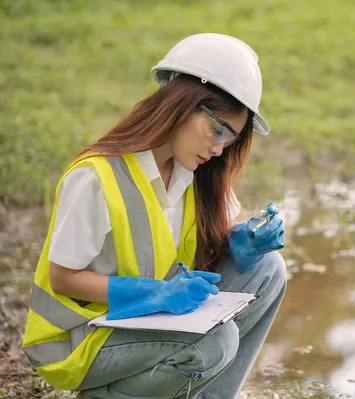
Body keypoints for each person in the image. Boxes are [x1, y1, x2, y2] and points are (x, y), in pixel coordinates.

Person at [21, 33, 287, 399]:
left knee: (269, 270)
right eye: (217, 130)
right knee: (216, 341)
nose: (218, 147)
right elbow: (63, 279)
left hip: (145, 323)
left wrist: (242, 247)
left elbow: (216, 247)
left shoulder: (198, 172)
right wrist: (155, 294)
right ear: (182, 105)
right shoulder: (96, 178)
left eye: (229, 138)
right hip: (83, 339)